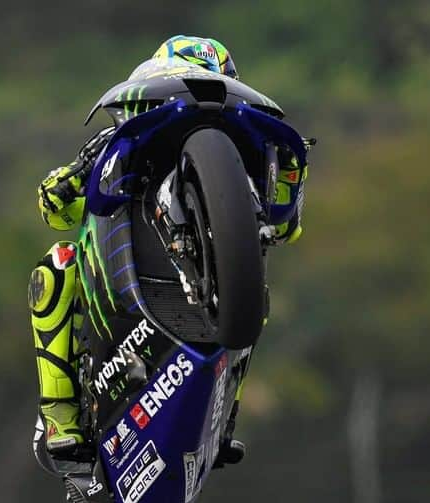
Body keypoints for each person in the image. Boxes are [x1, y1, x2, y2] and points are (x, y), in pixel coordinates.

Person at [29, 35, 306, 461]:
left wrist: (284, 182)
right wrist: (69, 178)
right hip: (110, 286)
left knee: (259, 290)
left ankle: (223, 413)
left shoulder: (240, 152)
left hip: (197, 304)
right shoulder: (111, 146)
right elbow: (55, 210)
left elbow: (286, 229)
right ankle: (59, 414)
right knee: (55, 267)